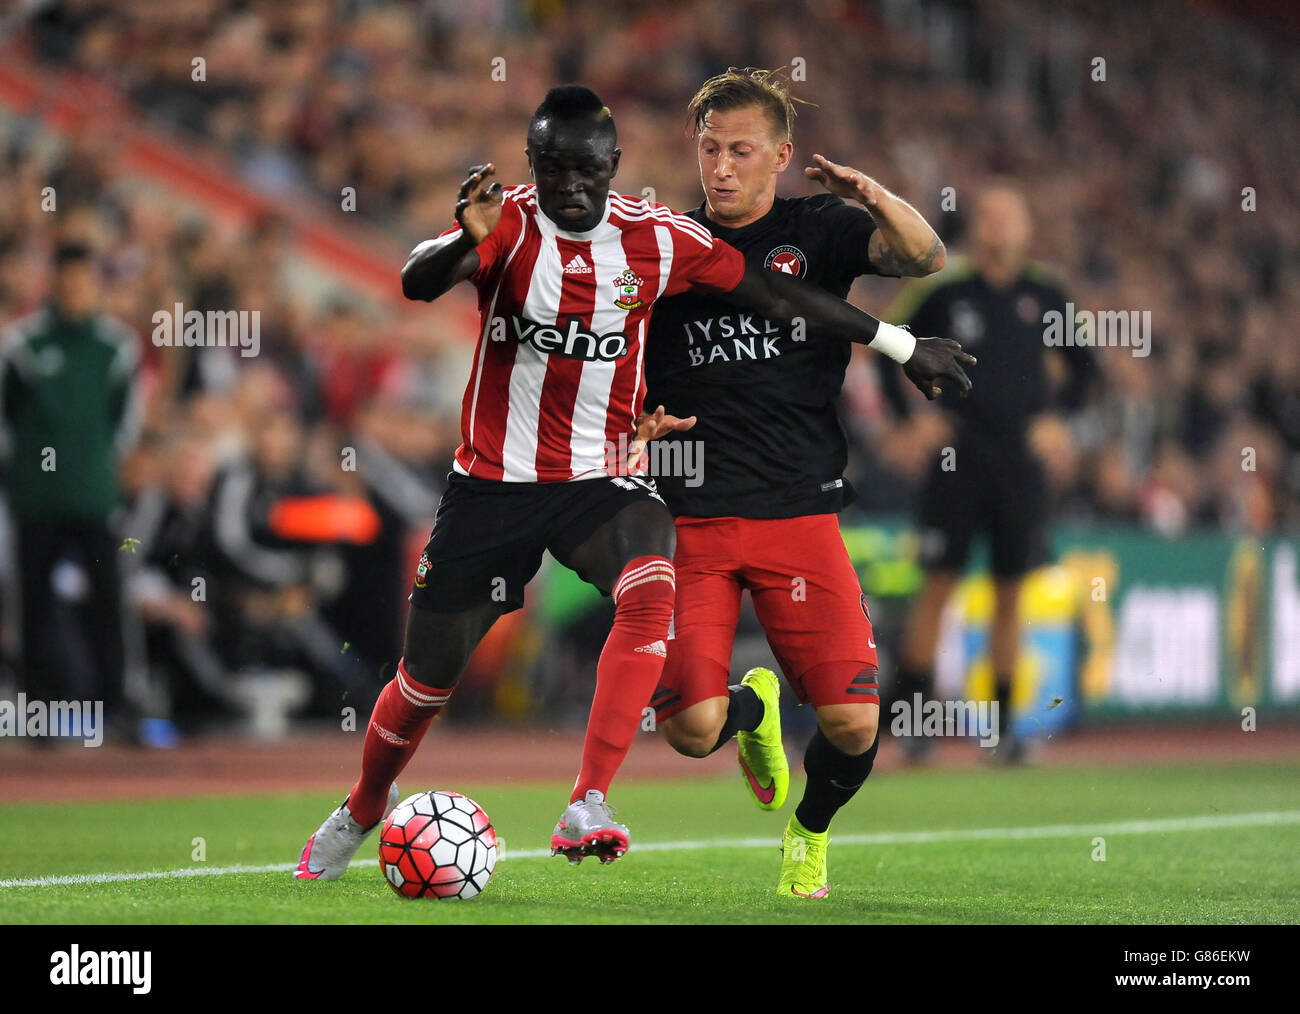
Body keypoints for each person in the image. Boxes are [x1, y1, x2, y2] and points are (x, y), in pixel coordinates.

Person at [295, 84, 971, 878]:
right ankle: (364, 805)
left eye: (587, 170)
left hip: (607, 481)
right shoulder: (506, 220)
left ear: (614, 167)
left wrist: (898, 342)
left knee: (654, 584)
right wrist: (457, 241)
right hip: (495, 483)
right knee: (426, 679)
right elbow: (416, 281)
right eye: (554, 170)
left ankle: (590, 800)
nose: (571, 187)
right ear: (534, 167)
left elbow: (780, 293)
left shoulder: (660, 239)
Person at [643, 68, 955, 898]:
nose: (722, 167)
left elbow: (925, 255)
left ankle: (808, 833)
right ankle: (754, 712)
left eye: (742, 150)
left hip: (800, 514)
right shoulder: (667, 244)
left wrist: (877, 195)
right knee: (688, 730)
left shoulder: (818, 226)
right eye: (710, 149)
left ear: (781, 155)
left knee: (855, 722)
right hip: (692, 517)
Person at [883, 184, 1095, 762]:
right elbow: (890, 348)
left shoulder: (1046, 294)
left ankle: (1002, 732)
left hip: (1021, 462)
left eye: (1008, 216)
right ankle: (914, 727)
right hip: (957, 459)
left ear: (1026, 227)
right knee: (938, 587)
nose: (997, 226)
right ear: (976, 227)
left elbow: (1084, 368)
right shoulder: (945, 291)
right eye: (988, 216)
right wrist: (910, 420)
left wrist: (1061, 421)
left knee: (1010, 593)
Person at [1, 241, 141, 739]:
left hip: (94, 497)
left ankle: (116, 708)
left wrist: (98, 471)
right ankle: (38, 714)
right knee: (33, 607)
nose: (76, 291)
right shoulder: (22, 345)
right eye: (68, 281)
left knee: (108, 600)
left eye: (84, 282)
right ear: (53, 283)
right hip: (35, 499)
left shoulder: (116, 347)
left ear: (97, 286)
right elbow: (8, 422)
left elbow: (123, 424)